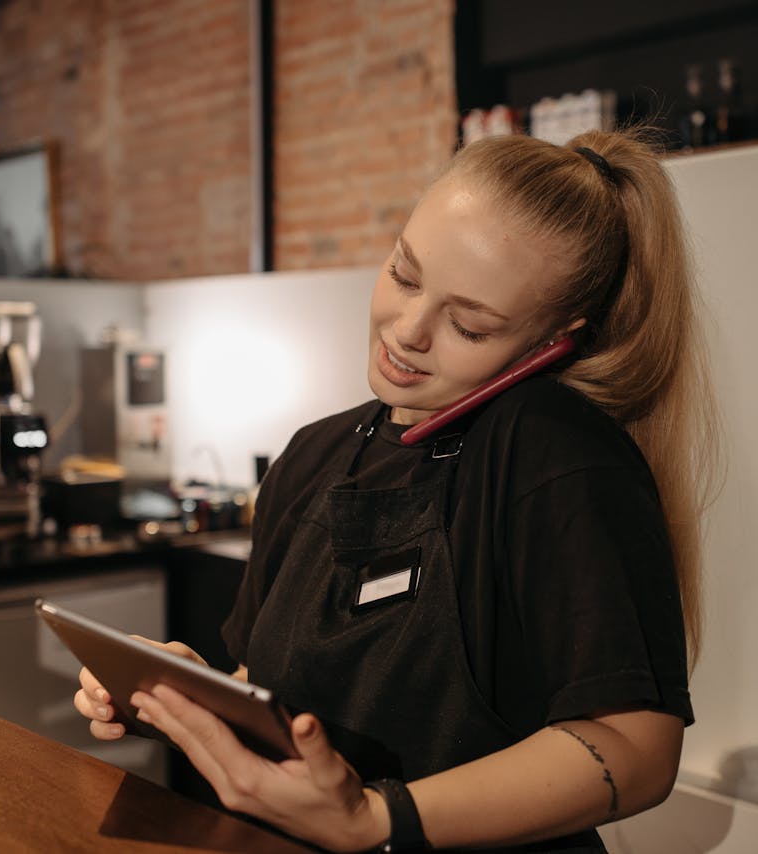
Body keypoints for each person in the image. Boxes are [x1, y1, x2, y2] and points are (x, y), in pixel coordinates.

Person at [74, 127, 719, 852]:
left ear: (553, 340)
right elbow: (276, 688)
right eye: (405, 275)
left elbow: (637, 750)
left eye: (469, 325)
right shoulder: (315, 452)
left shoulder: (554, 452)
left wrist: (379, 822)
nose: (408, 331)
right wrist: (194, 697)